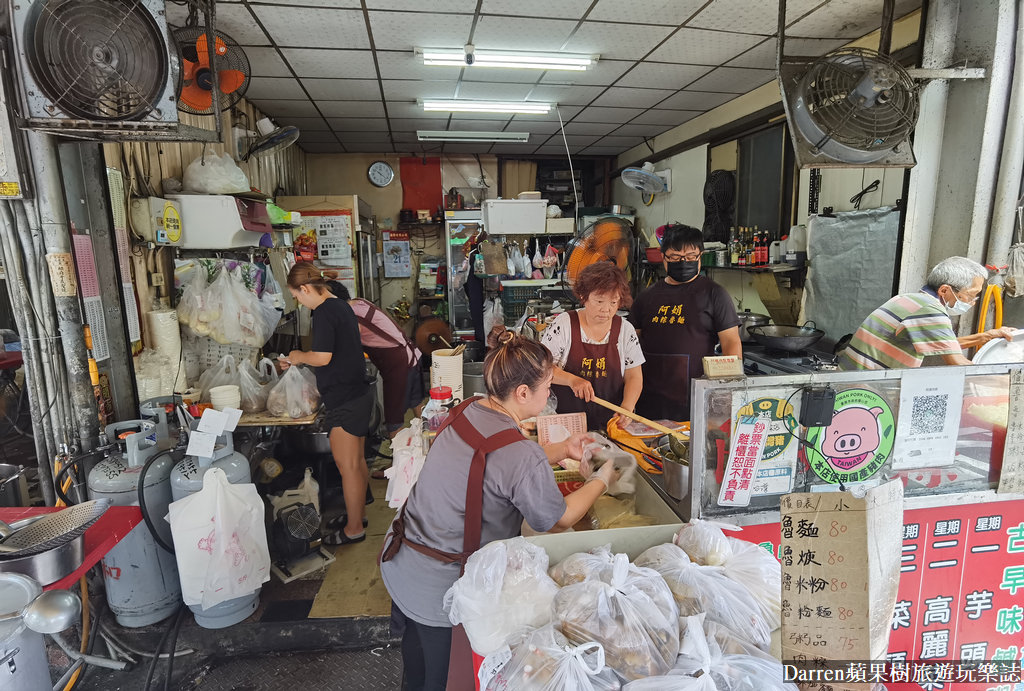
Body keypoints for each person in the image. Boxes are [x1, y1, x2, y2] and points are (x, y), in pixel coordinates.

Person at [379, 333, 620, 691]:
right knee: (440, 679)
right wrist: (602, 478)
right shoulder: (520, 455)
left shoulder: (468, 409)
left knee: (416, 663)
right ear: (523, 393)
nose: (550, 395)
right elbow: (559, 519)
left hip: (403, 563)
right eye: (547, 387)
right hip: (440, 587)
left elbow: (497, 459)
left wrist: (559, 449)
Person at [282, 263, 373, 546]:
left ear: (306, 288)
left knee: (348, 467)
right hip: (357, 394)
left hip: (345, 399)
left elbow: (322, 357)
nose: (298, 301)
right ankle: (357, 515)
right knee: (356, 463)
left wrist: (297, 355)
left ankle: (354, 529)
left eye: (297, 296)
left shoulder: (323, 312)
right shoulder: (339, 304)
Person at [629, 224, 742, 422]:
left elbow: (731, 342)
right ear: (663, 257)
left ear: (701, 256)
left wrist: (727, 389)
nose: (684, 262)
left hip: (693, 396)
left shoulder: (714, 294)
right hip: (649, 397)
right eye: (675, 257)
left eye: (691, 257)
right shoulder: (646, 297)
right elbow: (630, 344)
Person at [839, 256, 1016, 370]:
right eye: (970, 295)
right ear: (945, 290)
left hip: (851, 379)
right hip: (865, 391)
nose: (971, 302)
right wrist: (1006, 376)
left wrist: (987, 336)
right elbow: (958, 363)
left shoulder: (911, 299)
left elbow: (945, 345)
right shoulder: (932, 311)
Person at [541, 261, 644, 430]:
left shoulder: (625, 330)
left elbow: (634, 376)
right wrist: (572, 380)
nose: (606, 310)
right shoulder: (564, 324)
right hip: (565, 425)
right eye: (599, 301)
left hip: (610, 425)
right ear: (584, 297)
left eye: (613, 302)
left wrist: (627, 407)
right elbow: (542, 367)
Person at [327, 281, 423, 438]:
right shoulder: (359, 302)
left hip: (399, 363)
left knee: (394, 418)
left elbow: (346, 348)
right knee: (416, 403)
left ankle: (399, 458)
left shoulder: (350, 316)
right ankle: (431, 445)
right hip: (411, 355)